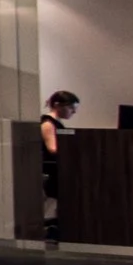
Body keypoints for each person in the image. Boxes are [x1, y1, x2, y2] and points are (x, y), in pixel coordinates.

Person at [39, 90, 80, 239]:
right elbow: (52, 148)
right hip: (54, 170)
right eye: (71, 108)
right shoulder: (48, 124)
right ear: (57, 105)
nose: (74, 111)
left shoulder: (56, 123)